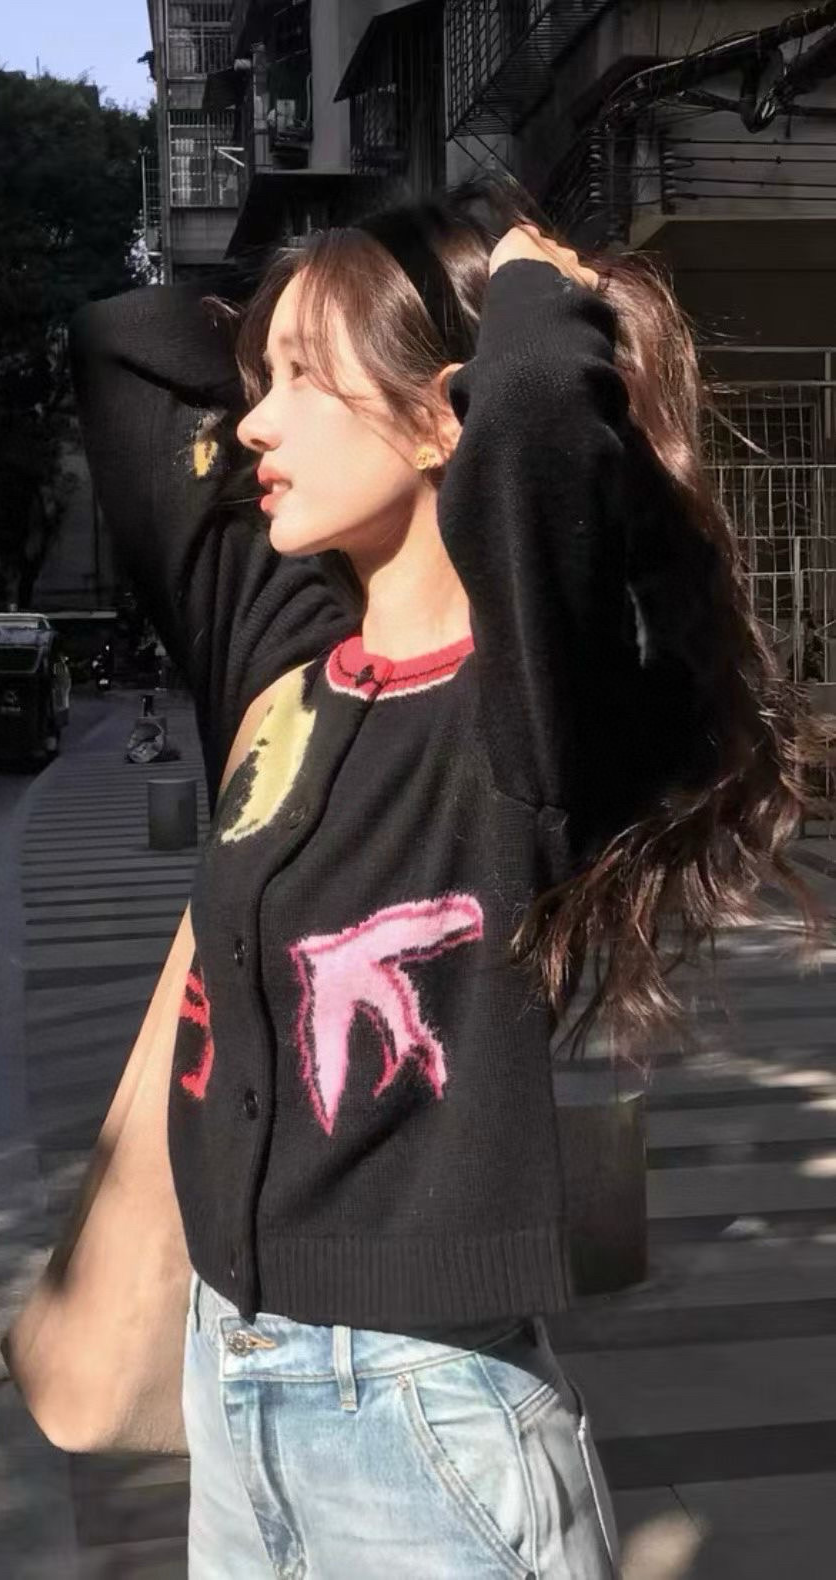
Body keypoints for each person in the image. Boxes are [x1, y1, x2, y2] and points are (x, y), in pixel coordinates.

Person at [70, 178, 824, 1578]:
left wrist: (534, 280)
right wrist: (326, 283)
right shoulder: (285, 665)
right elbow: (126, 345)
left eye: (304, 382)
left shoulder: (531, 704)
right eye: (259, 382)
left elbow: (535, 404)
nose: (253, 424)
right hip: (230, 1386)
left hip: (423, 1422)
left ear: (440, 421)